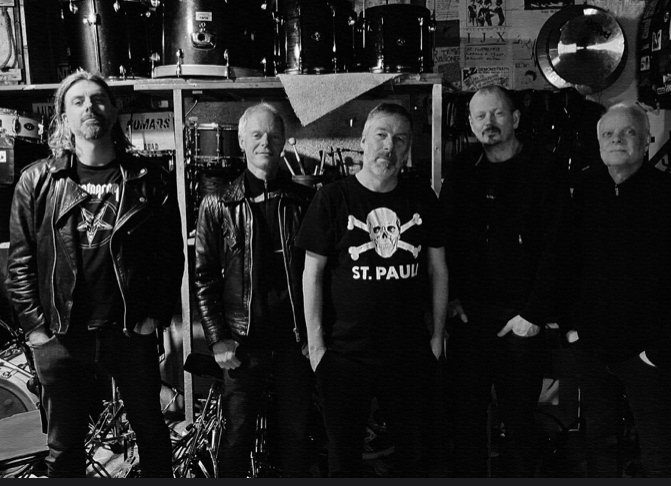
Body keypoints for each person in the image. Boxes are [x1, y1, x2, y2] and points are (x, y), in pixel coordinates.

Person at [5, 69, 183, 478]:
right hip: (62, 336)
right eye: (79, 101)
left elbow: (170, 257)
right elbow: (20, 264)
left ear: (114, 110)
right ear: (64, 117)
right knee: (64, 449)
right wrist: (37, 331)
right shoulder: (37, 181)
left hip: (128, 332)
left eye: (99, 99)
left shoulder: (148, 180)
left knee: (153, 437)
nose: (90, 107)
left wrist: (154, 317)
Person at [296, 103, 448, 477]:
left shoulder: (422, 198)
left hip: (409, 354)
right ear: (363, 140)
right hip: (345, 356)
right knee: (344, 461)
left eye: (400, 139)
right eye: (381, 135)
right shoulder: (332, 198)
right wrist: (316, 347)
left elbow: (438, 270)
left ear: (408, 148)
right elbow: (311, 274)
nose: (389, 147)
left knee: (415, 458)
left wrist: (437, 338)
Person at [439, 85, 565, 477]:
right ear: (471, 123)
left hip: (520, 320)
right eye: (480, 116)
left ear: (515, 119)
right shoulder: (463, 167)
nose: (489, 123)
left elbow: (559, 246)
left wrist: (534, 314)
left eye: (497, 114)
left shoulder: (544, 167)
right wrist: (451, 298)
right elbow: (445, 238)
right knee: (465, 422)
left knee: (520, 423)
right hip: (469, 319)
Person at [194, 103, 315, 477]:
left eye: (274, 135)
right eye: (257, 135)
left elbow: (320, 276)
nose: (266, 142)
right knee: (236, 438)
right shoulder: (217, 203)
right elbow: (204, 278)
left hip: (295, 344)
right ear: (242, 142)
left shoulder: (304, 201)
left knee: (296, 438)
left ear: (283, 142)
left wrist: (315, 335)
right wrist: (218, 339)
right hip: (242, 345)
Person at [560, 102, 671, 477]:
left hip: (649, 352)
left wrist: (659, 349)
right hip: (593, 346)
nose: (617, 140)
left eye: (628, 133)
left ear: (646, 140)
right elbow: (566, 263)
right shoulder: (585, 191)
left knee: (660, 451)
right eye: (608, 134)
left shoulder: (665, 194)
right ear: (598, 143)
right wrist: (572, 329)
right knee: (600, 444)